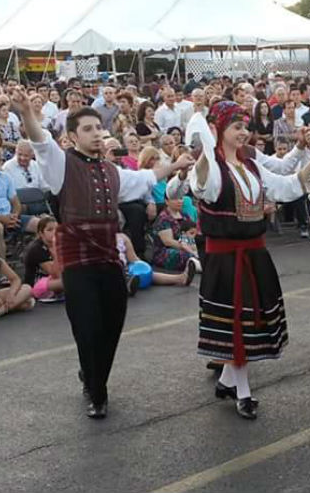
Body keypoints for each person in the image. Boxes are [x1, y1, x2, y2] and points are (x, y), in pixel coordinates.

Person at [21, 100, 189, 419]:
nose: (97, 134)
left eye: (99, 127)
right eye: (88, 129)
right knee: (86, 326)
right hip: (77, 260)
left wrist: (176, 163)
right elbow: (40, 141)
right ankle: (97, 392)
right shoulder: (61, 165)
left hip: (109, 257)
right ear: (72, 136)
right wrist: (27, 112)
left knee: (112, 324)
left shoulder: (112, 171)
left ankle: (94, 376)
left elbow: (146, 178)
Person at [189, 101, 310, 419]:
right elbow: (202, 186)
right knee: (237, 324)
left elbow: (288, 187)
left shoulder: (250, 166)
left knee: (247, 323)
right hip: (225, 258)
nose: (243, 133)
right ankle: (244, 393)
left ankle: (226, 382)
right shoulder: (211, 167)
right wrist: (206, 146)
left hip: (254, 253)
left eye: (245, 127)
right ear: (220, 131)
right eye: (236, 127)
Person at [23, 216, 64, 303]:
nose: (54, 232)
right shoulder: (37, 249)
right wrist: (56, 252)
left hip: (51, 281)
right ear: (41, 233)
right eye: (50, 230)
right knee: (69, 281)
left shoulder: (59, 244)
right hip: (37, 285)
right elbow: (55, 273)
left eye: (56, 229)